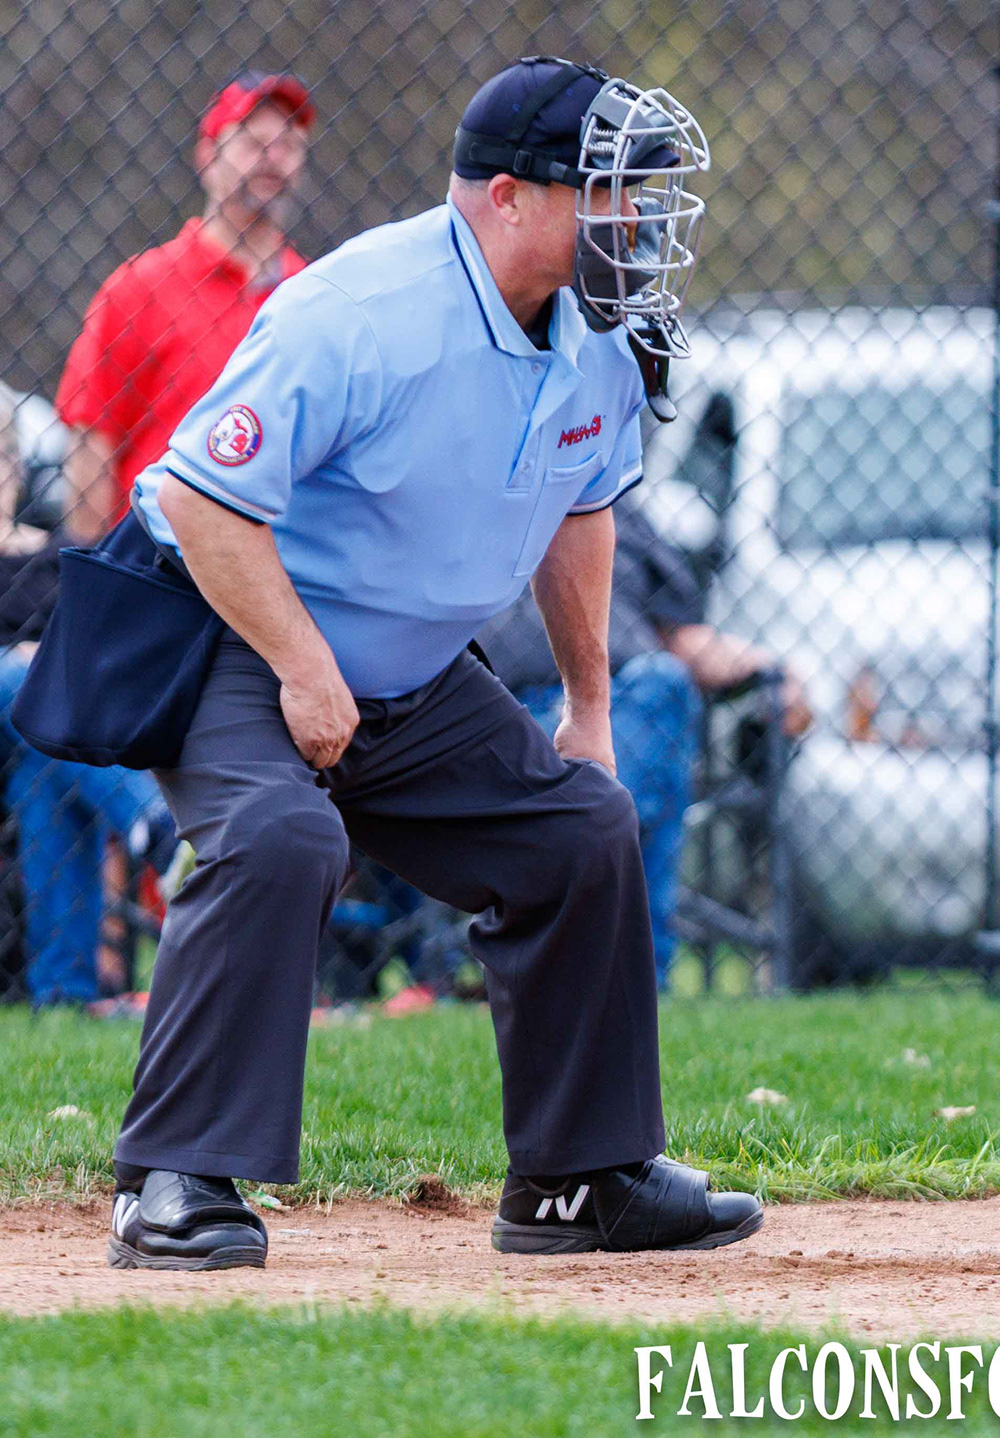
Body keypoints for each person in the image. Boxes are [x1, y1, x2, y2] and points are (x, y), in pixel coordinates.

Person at [95, 56, 760, 1271]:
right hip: (236, 627)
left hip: (404, 663)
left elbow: (583, 507)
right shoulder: (364, 310)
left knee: (581, 831)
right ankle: (170, 1180)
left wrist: (590, 706)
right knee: (282, 836)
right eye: (607, 190)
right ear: (506, 196)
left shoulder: (599, 324)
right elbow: (198, 499)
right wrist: (303, 666)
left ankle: (579, 1181)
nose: (635, 219)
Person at [476, 498, 810, 989]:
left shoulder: (612, 506)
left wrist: (774, 669)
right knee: (623, 772)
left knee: (663, 685)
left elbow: (685, 640)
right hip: (495, 711)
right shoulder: (461, 492)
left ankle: (581, 895)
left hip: (617, 710)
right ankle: (623, 970)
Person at [55, 72, 315, 543]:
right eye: (253, 142)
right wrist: (94, 563)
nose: (273, 157)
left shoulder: (314, 296)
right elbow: (94, 438)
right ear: (207, 156)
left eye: (289, 145)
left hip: (276, 563)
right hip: (150, 559)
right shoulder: (140, 286)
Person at [0, 385, 175, 1008]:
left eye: (0, 456)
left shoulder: (60, 555)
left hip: (50, 735)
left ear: (16, 466)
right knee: (22, 680)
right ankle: (155, 826)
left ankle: (63, 993)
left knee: (45, 771)